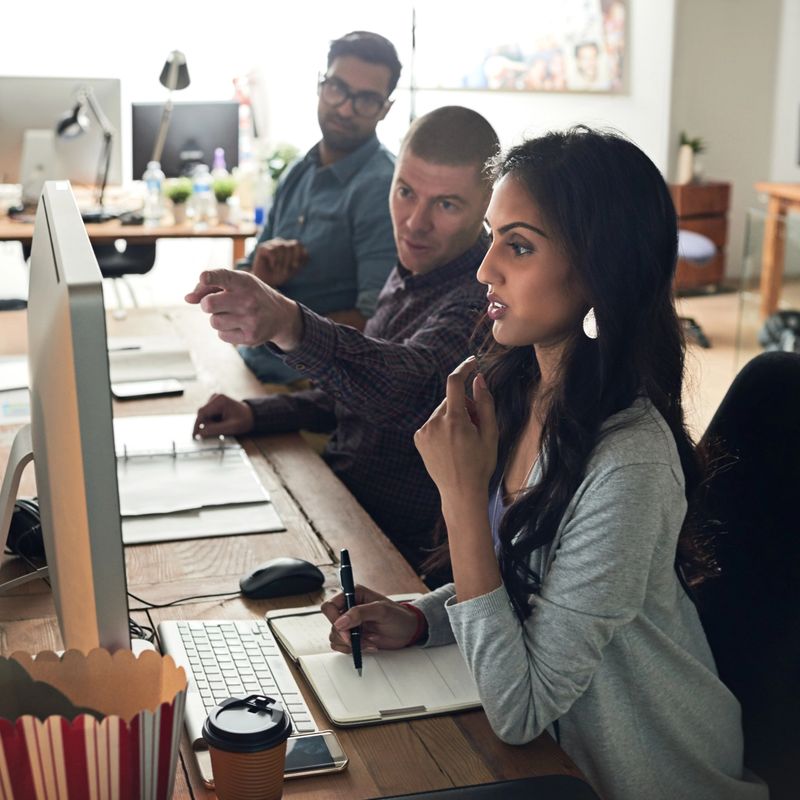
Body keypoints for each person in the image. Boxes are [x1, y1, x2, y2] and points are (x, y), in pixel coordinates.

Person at [322, 128, 768, 799]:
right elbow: (531, 583)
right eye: (492, 235)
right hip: (557, 762)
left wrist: (463, 500)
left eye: (519, 246)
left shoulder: (630, 465)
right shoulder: (521, 389)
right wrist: (423, 618)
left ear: (596, 271)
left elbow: (521, 710)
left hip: (641, 776)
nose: (484, 269)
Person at [187, 106, 499, 576]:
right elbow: (356, 396)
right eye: (405, 192)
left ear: (486, 204)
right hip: (338, 509)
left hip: (398, 560)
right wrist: (256, 413)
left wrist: (289, 322)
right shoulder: (419, 264)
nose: (415, 222)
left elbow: (407, 390)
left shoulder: (483, 296)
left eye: (446, 204)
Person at [238, 30, 401, 383]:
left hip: (313, 390)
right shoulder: (299, 169)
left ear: (385, 109)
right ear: (320, 85)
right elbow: (248, 275)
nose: (344, 108)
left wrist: (283, 318)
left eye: (366, 100)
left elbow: (377, 324)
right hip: (253, 367)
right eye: (337, 88)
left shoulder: (382, 189)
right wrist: (263, 277)